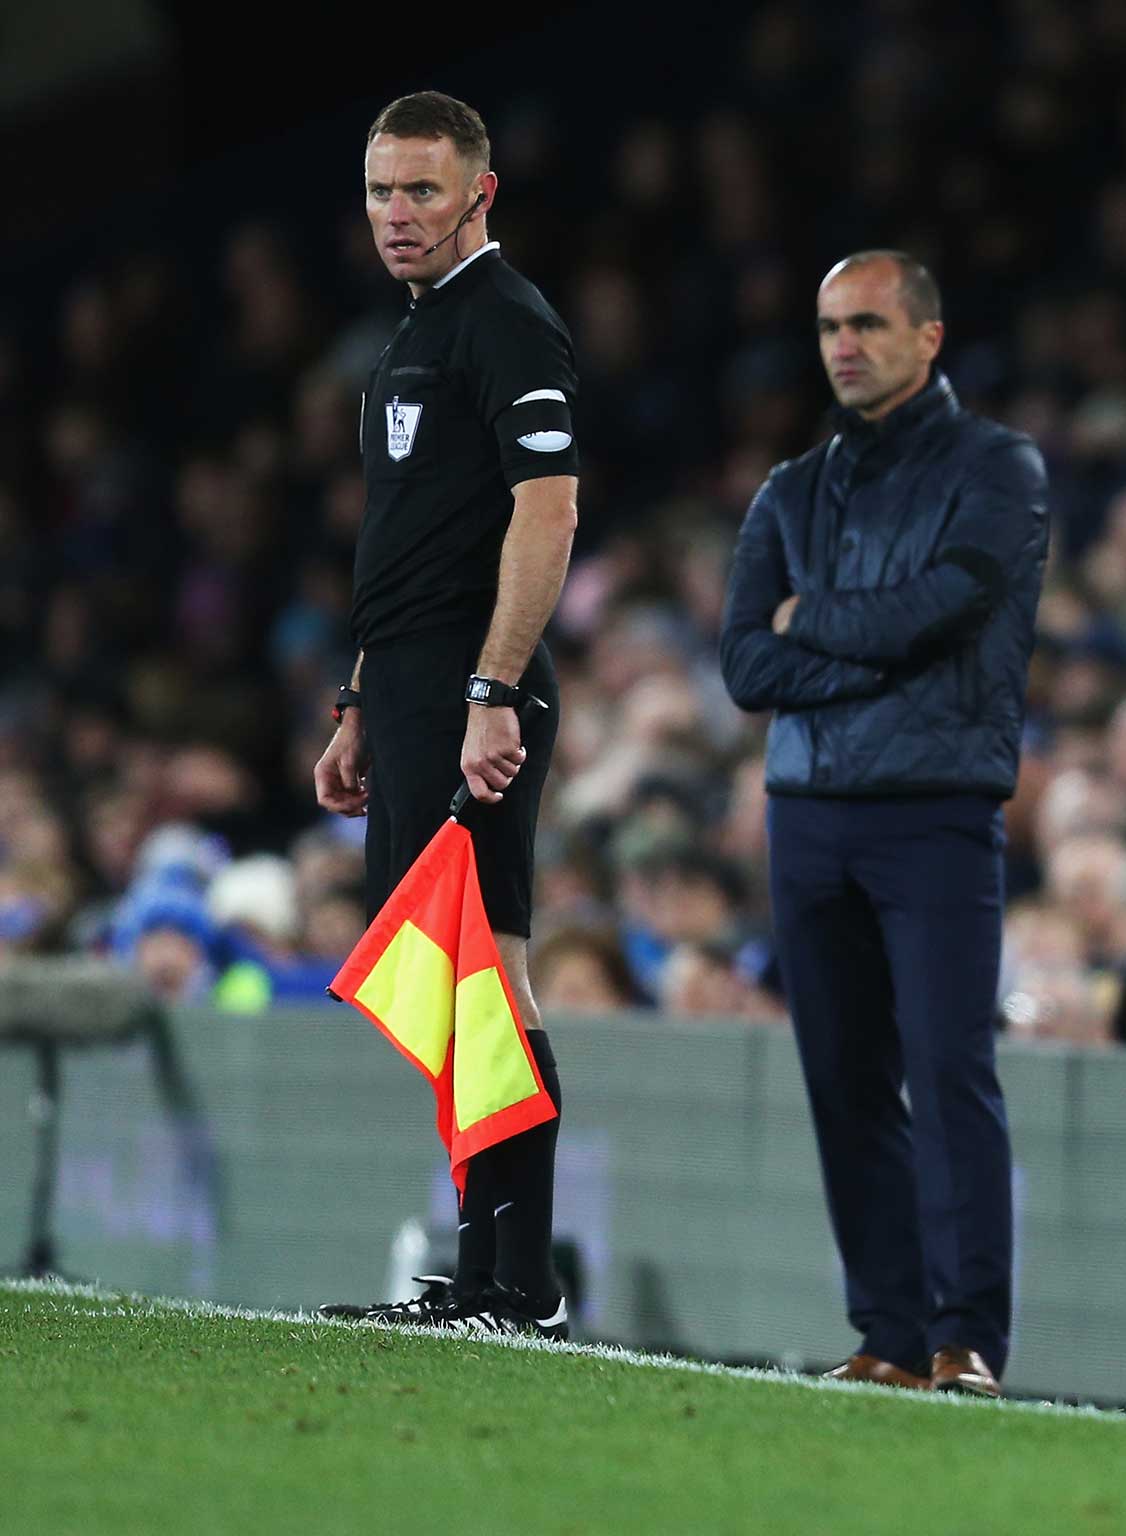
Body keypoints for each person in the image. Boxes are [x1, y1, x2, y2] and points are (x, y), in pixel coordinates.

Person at [718, 251, 1048, 1395]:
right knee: (844, 1080)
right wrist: (868, 655)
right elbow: (745, 664)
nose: (842, 346)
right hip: (807, 813)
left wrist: (817, 622)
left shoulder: (997, 466)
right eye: (826, 327)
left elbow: (949, 606)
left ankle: (966, 1340)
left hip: (934, 811)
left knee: (947, 1070)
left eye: (865, 323)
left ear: (928, 336)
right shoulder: (788, 488)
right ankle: (890, 1334)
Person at [313, 92, 579, 1338]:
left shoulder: (507, 325)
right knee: (448, 983)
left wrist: (490, 689)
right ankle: (483, 1272)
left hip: (474, 687)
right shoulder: (412, 336)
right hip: (412, 685)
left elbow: (547, 512)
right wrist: (363, 699)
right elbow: (405, 544)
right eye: (379, 191)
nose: (396, 215)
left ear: (480, 191)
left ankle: (514, 1288)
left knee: (491, 973)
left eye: (421, 190)